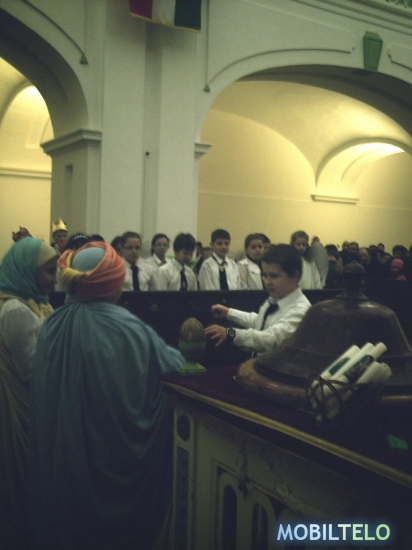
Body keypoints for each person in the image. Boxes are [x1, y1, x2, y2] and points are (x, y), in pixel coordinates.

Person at [28, 242, 184, 550]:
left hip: (64, 458)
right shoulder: (128, 327)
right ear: (113, 283)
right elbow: (176, 368)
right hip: (114, 454)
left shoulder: (51, 325)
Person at [0, 237, 57, 549]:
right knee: (23, 476)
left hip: (33, 402)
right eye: (49, 271)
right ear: (26, 271)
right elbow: (32, 371)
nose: (54, 279)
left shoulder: (34, 303)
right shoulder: (16, 310)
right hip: (23, 405)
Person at [205, 245, 311, 355]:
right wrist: (229, 313)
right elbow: (260, 322)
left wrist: (231, 334)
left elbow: (271, 338)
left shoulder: (301, 311)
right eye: (264, 275)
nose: (267, 282)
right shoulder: (275, 299)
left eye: (274, 276)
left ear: (294, 276)